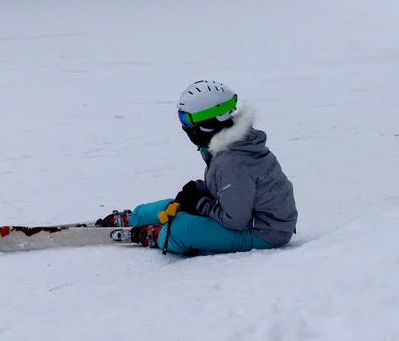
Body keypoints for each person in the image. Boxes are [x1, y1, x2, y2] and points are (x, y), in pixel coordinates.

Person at [99, 80, 298, 255]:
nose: (184, 125)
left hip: (265, 233)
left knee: (181, 229)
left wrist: (199, 204)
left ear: (207, 123)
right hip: (249, 217)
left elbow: (235, 220)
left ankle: (162, 234)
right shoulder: (229, 147)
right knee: (173, 205)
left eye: (186, 119)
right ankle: (136, 218)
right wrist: (199, 190)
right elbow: (240, 191)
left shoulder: (232, 162)